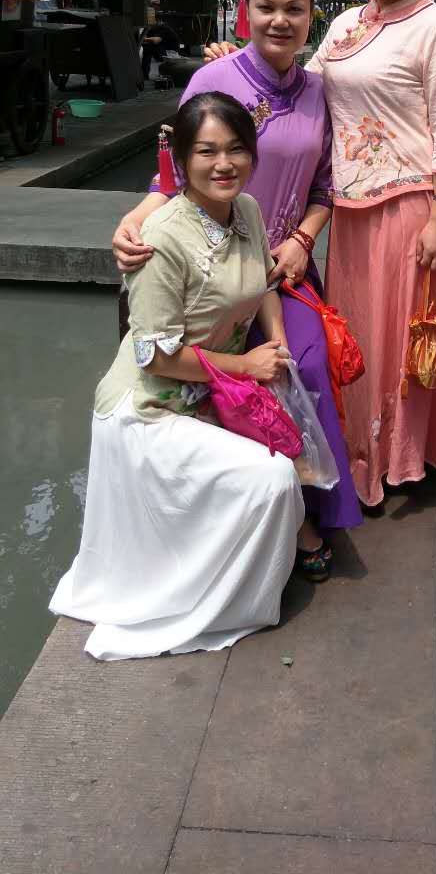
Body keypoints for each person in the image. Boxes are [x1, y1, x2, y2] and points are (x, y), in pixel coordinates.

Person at [112, 0, 362, 580]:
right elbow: (174, 173)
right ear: (245, 9)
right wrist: (137, 218)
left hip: (283, 270)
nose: (280, 21)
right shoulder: (214, 79)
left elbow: (327, 182)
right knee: (223, 378)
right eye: (267, 7)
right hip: (209, 271)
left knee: (301, 363)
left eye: (294, 9)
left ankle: (308, 505)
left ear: (312, 17)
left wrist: (304, 239)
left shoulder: (317, 91)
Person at [50, 92, 305, 660]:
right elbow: (153, 356)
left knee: (293, 455)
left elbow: (263, 286)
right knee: (273, 480)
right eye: (207, 152)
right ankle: (222, 604)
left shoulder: (249, 211)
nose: (223, 164)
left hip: (211, 391)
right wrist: (247, 365)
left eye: (237, 150)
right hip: (149, 408)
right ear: (182, 161)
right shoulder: (160, 238)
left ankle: (231, 578)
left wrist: (279, 342)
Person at [306, 0, 436, 507]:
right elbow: (305, 86)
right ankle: (359, 451)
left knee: (405, 338)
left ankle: (401, 457)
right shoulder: (345, 25)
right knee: (357, 337)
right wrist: (236, 64)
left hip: (412, 209)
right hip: (349, 213)